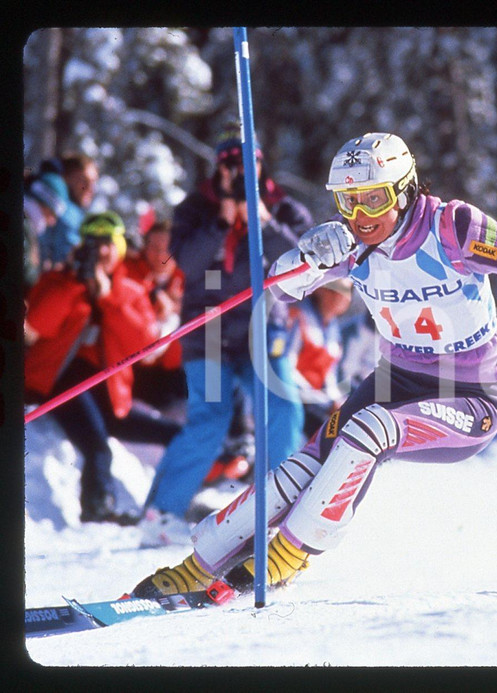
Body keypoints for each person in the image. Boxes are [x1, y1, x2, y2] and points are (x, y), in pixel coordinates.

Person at [132, 132, 497, 599]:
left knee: (369, 429)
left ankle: (290, 552)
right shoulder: (351, 242)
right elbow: (278, 288)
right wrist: (306, 256)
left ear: (404, 190)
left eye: (374, 199)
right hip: (397, 380)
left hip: (470, 396)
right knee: (308, 460)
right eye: (348, 201)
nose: (361, 216)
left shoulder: (451, 227)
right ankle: (199, 565)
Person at [139, 124, 311, 544]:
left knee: (283, 405)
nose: (240, 173)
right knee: (210, 417)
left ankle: (282, 507)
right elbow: (187, 264)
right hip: (211, 330)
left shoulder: (283, 208)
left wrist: (263, 222)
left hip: (261, 327)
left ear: (261, 165)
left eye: (249, 163)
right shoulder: (197, 208)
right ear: (217, 168)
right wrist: (222, 221)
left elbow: (303, 264)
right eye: (231, 165)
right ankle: (161, 513)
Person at [24, 212, 183, 524]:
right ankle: (98, 510)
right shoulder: (60, 280)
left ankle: (164, 506)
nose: (102, 251)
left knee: (177, 435)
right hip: (59, 381)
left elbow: (145, 345)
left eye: (108, 243)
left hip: (110, 393)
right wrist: (75, 283)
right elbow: (39, 325)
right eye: (93, 243)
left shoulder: (131, 290)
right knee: (98, 448)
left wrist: (109, 297)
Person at [286, 277, 378, 435]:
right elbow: (286, 370)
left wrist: (338, 402)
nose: (339, 296)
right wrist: (326, 402)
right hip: (293, 401)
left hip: (316, 403)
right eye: (333, 289)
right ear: (319, 289)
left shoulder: (333, 327)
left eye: (345, 291)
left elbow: (329, 375)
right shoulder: (298, 315)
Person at [123, 219, 187, 408]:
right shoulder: (131, 269)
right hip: (134, 367)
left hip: (175, 371)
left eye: (167, 249)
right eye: (154, 247)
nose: (160, 255)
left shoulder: (187, 277)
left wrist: (178, 308)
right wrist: (155, 296)